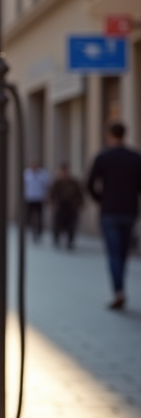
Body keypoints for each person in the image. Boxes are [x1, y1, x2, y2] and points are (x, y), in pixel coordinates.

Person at [87, 122, 141, 309]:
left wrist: (101, 199)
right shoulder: (135, 158)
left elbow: (90, 184)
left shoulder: (103, 157)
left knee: (114, 253)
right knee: (123, 253)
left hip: (109, 211)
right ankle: (121, 288)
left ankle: (119, 290)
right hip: (129, 211)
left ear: (110, 135)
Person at [48, 162, 83, 250]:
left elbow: (79, 194)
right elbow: (52, 194)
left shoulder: (74, 182)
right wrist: (52, 203)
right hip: (60, 206)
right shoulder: (57, 183)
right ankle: (56, 238)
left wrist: (80, 204)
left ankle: (70, 241)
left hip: (71, 206)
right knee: (58, 224)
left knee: (71, 225)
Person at [23, 159, 51, 243]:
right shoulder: (26, 173)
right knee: (29, 216)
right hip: (29, 198)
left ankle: (39, 232)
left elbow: (48, 186)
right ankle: (31, 231)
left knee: (39, 216)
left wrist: (47, 197)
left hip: (39, 198)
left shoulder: (43, 174)